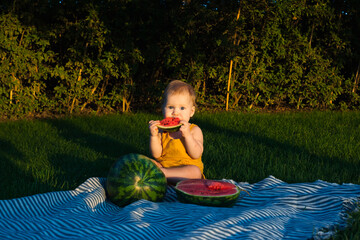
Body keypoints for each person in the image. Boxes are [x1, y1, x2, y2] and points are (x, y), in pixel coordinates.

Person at [148, 80, 204, 184]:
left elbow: (196, 154)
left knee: (195, 172)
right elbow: (156, 154)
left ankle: (161, 174)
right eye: (170, 107)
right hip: (164, 166)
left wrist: (187, 135)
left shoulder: (194, 130)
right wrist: (153, 136)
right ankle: (161, 173)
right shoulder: (161, 131)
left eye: (182, 108)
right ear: (163, 109)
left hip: (186, 170)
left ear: (191, 112)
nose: (176, 112)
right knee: (145, 162)